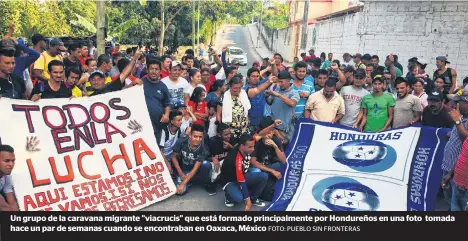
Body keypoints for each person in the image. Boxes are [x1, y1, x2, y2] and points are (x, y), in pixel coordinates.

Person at [220, 134, 268, 210]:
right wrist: (248, 203)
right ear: (242, 146)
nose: (253, 149)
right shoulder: (236, 159)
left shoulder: (248, 143)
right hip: (230, 181)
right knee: (239, 198)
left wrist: (273, 125)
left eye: (253, 146)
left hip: (242, 174)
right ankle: (229, 197)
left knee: (264, 176)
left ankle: (253, 198)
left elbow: (260, 134)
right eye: (250, 147)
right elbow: (241, 181)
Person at [440, 90, 468, 210]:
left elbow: (466, 139)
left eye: (458, 102)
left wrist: (457, 121)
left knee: (457, 203)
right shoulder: (462, 118)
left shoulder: (459, 119)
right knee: (449, 198)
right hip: (450, 166)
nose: (455, 104)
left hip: (459, 173)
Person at [172, 124, 214, 195]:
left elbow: (195, 169)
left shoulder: (204, 148)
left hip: (196, 171)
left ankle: (205, 182)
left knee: (206, 164)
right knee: (180, 192)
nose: (198, 139)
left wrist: (183, 184)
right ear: (190, 135)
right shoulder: (181, 141)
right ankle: (189, 180)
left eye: (200, 137)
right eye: (195, 136)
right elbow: (173, 157)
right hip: (184, 169)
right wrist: (180, 173)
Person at [142, 58, 171, 143]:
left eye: (156, 69)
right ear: (147, 70)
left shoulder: (163, 87)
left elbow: (167, 104)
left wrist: (166, 115)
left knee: (155, 150)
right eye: (151, 69)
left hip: (157, 126)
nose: (154, 71)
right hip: (141, 125)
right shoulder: (140, 83)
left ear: (160, 71)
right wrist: (133, 84)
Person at [266, 70, 299, 142]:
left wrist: (279, 95)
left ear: (288, 81)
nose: (279, 84)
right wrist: (266, 96)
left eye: (281, 82)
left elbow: (292, 103)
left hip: (284, 129)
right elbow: (270, 102)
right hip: (273, 126)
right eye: (278, 82)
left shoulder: (294, 92)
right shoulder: (277, 89)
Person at [218, 76, 251, 140]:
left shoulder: (243, 94)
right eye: (235, 88)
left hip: (244, 129)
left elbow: (246, 110)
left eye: (239, 88)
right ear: (230, 87)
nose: (238, 90)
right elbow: (218, 114)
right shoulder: (223, 97)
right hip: (230, 132)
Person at [158, 110, 184, 175]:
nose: (181, 122)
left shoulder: (179, 130)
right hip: (164, 157)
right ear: (172, 121)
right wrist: (167, 164)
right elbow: (160, 151)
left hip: (173, 156)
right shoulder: (164, 132)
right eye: (179, 120)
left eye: (181, 119)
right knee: (169, 171)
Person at [0, 145, 19, 211]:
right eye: (6, 161)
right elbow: (4, 207)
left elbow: (12, 203)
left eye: (13, 161)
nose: (11, 164)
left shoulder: (7, 176)